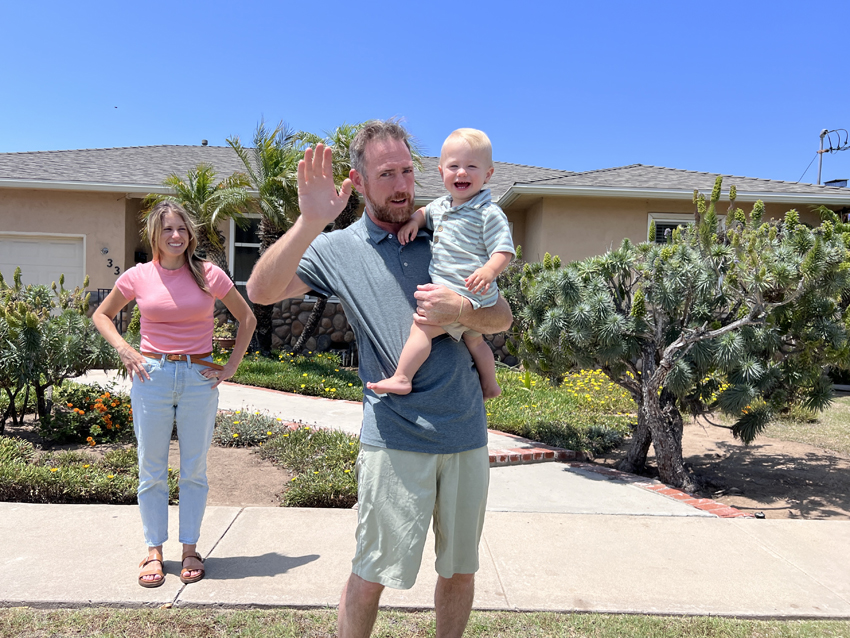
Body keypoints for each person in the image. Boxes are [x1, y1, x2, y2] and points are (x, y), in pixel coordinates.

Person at [247, 120, 513, 638]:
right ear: (359, 181)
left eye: (407, 171)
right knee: (370, 574)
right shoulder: (339, 248)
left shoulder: (446, 225)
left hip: (465, 433)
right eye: (387, 173)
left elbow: (500, 317)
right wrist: (308, 223)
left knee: (459, 571)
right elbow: (261, 291)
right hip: (394, 438)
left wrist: (461, 309)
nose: (401, 185)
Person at [93, 201, 256, 588]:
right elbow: (102, 314)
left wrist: (231, 366)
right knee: (151, 467)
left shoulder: (208, 274)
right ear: (155, 235)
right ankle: (154, 550)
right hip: (152, 376)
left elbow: (247, 317)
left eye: (182, 228)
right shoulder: (138, 276)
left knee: (194, 469)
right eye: (167, 229)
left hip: (199, 377)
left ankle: (190, 549)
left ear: (190, 234)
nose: (176, 235)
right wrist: (125, 349)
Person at [366, 128, 514, 399]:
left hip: (468, 290)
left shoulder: (488, 212)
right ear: (441, 172)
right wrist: (414, 221)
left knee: (421, 327)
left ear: (488, 174)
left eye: (472, 166)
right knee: (475, 340)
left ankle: (402, 377)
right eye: (454, 166)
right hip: (468, 293)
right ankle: (491, 385)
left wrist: (489, 270)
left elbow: (504, 250)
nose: (462, 172)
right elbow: (424, 212)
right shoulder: (441, 206)